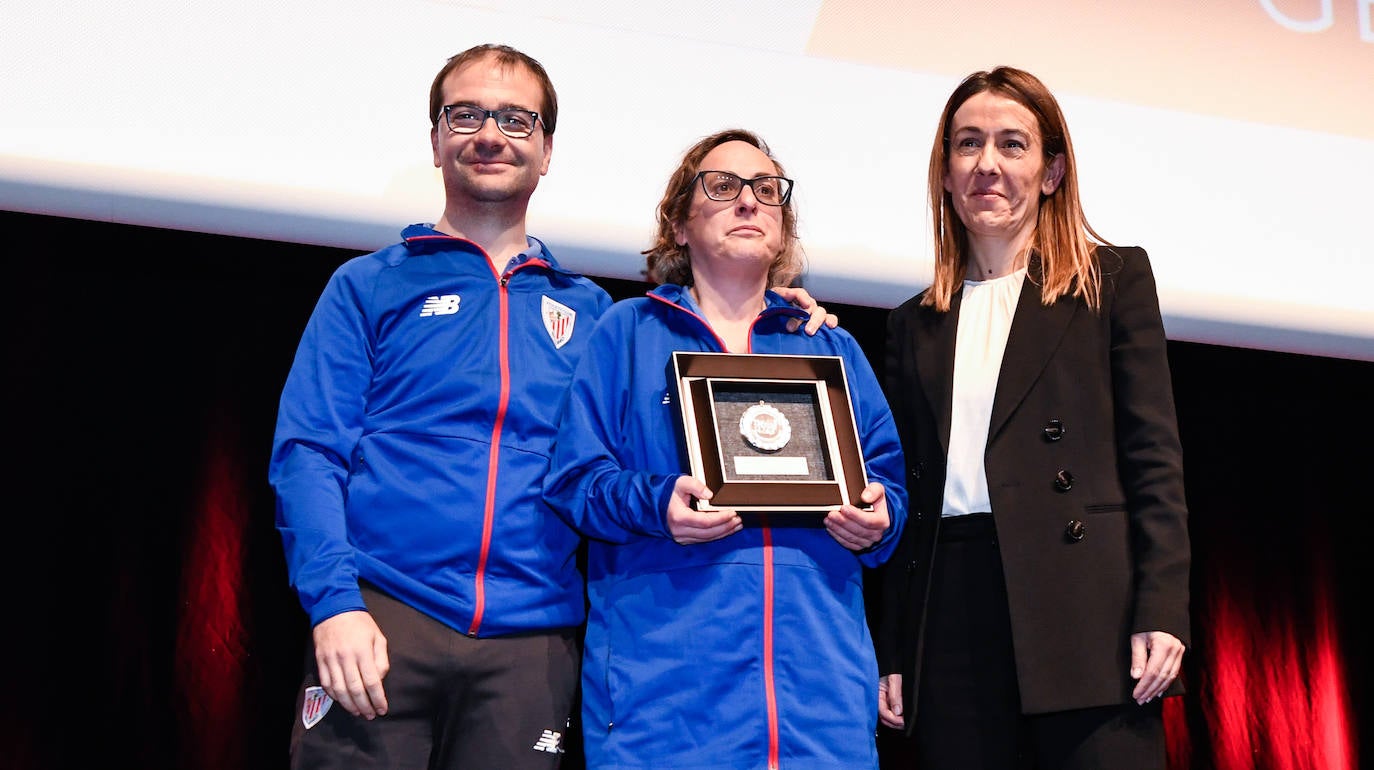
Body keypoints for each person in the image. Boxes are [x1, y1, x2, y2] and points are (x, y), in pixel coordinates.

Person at [267, 47, 834, 770]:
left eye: (516, 118)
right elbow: (309, 454)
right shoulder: (368, 286)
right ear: (436, 139)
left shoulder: (595, 313)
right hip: (380, 623)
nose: (491, 134)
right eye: (465, 114)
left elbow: (681, 427)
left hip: (534, 648)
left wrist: (775, 313)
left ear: (546, 150)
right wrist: (335, 603)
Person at [542, 128, 908, 769]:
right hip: (664, 709)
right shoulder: (627, 333)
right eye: (723, 187)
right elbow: (575, 480)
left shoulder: (828, 347)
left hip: (818, 712)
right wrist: (658, 504)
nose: (748, 202)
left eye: (766, 190)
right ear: (680, 224)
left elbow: (890, 487)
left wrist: (880, 517)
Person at [874, 66, 1191, 769]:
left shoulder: (1113, 282)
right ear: (947, 175)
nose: (987, 164)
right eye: (968, 144)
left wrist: (1161, 607)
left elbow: (1154, 462)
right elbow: (907, 501)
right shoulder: (910, 325)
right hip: (950, 615)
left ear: (1050, 172)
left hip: (1086, 613)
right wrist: (893, 646)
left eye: (1011, 145)